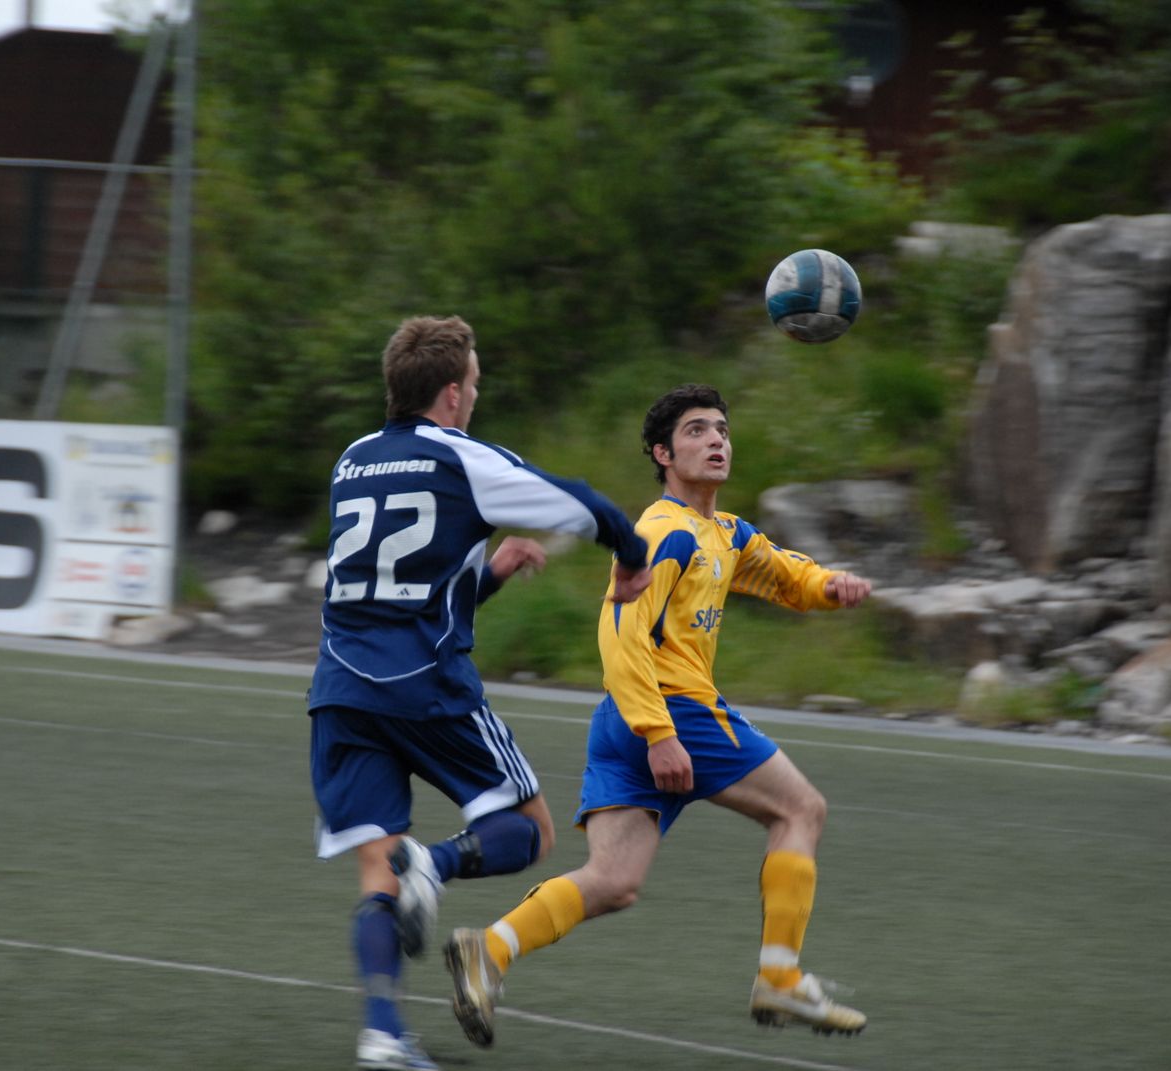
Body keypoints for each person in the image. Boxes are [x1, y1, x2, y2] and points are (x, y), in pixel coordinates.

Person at [443, 383, 873, 1048]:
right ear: (662, 453)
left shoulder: (725, 533)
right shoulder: (663, 533)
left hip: (625, 718)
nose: (717, 439)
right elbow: (620, 633)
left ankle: (489, 949)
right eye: (697, 430)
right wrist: (661, 733)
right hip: (671, 711)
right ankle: (780, 977)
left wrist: (828, 585)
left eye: (722, 429)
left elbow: (784, 575)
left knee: (613, 882)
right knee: (800, 810)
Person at [308, 315, 652, 1071]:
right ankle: (434, 863)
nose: (474, 397)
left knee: (377, 870)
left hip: (340, 690)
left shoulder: (352, 462)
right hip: (425, 688)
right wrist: (631, 554)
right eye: (475, 384)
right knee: (528, 828)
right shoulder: (459, 455)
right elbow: (576, 502)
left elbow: (401, 591)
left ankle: (381, 1034)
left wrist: (487, 573)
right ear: (453, 394)